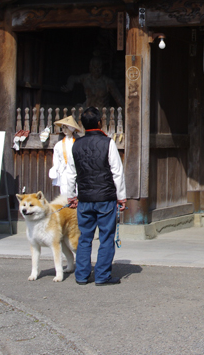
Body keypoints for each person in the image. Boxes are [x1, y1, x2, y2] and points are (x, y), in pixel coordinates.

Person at [66, 107, 127, 286]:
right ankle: (102, 276)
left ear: (83, 125)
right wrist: (121, 197)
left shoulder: (75, 145)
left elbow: (70, 173)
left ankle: (82, 275)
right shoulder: (108, 143)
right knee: (106, 237)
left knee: (85, 237)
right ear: (100, 122)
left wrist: (70, 196)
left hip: (84, 198)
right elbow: (117, 172)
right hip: (105, 198)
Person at [48, 116, 82, 198]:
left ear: (72, 129)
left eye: (67, 127)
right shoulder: (58, 145)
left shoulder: (78, 143)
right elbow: (56, 160)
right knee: (64, 192)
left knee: (77, 191)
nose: (65, 130)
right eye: (63, 128)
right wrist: (55, 169)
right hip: (64, 171)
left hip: (77, 170)